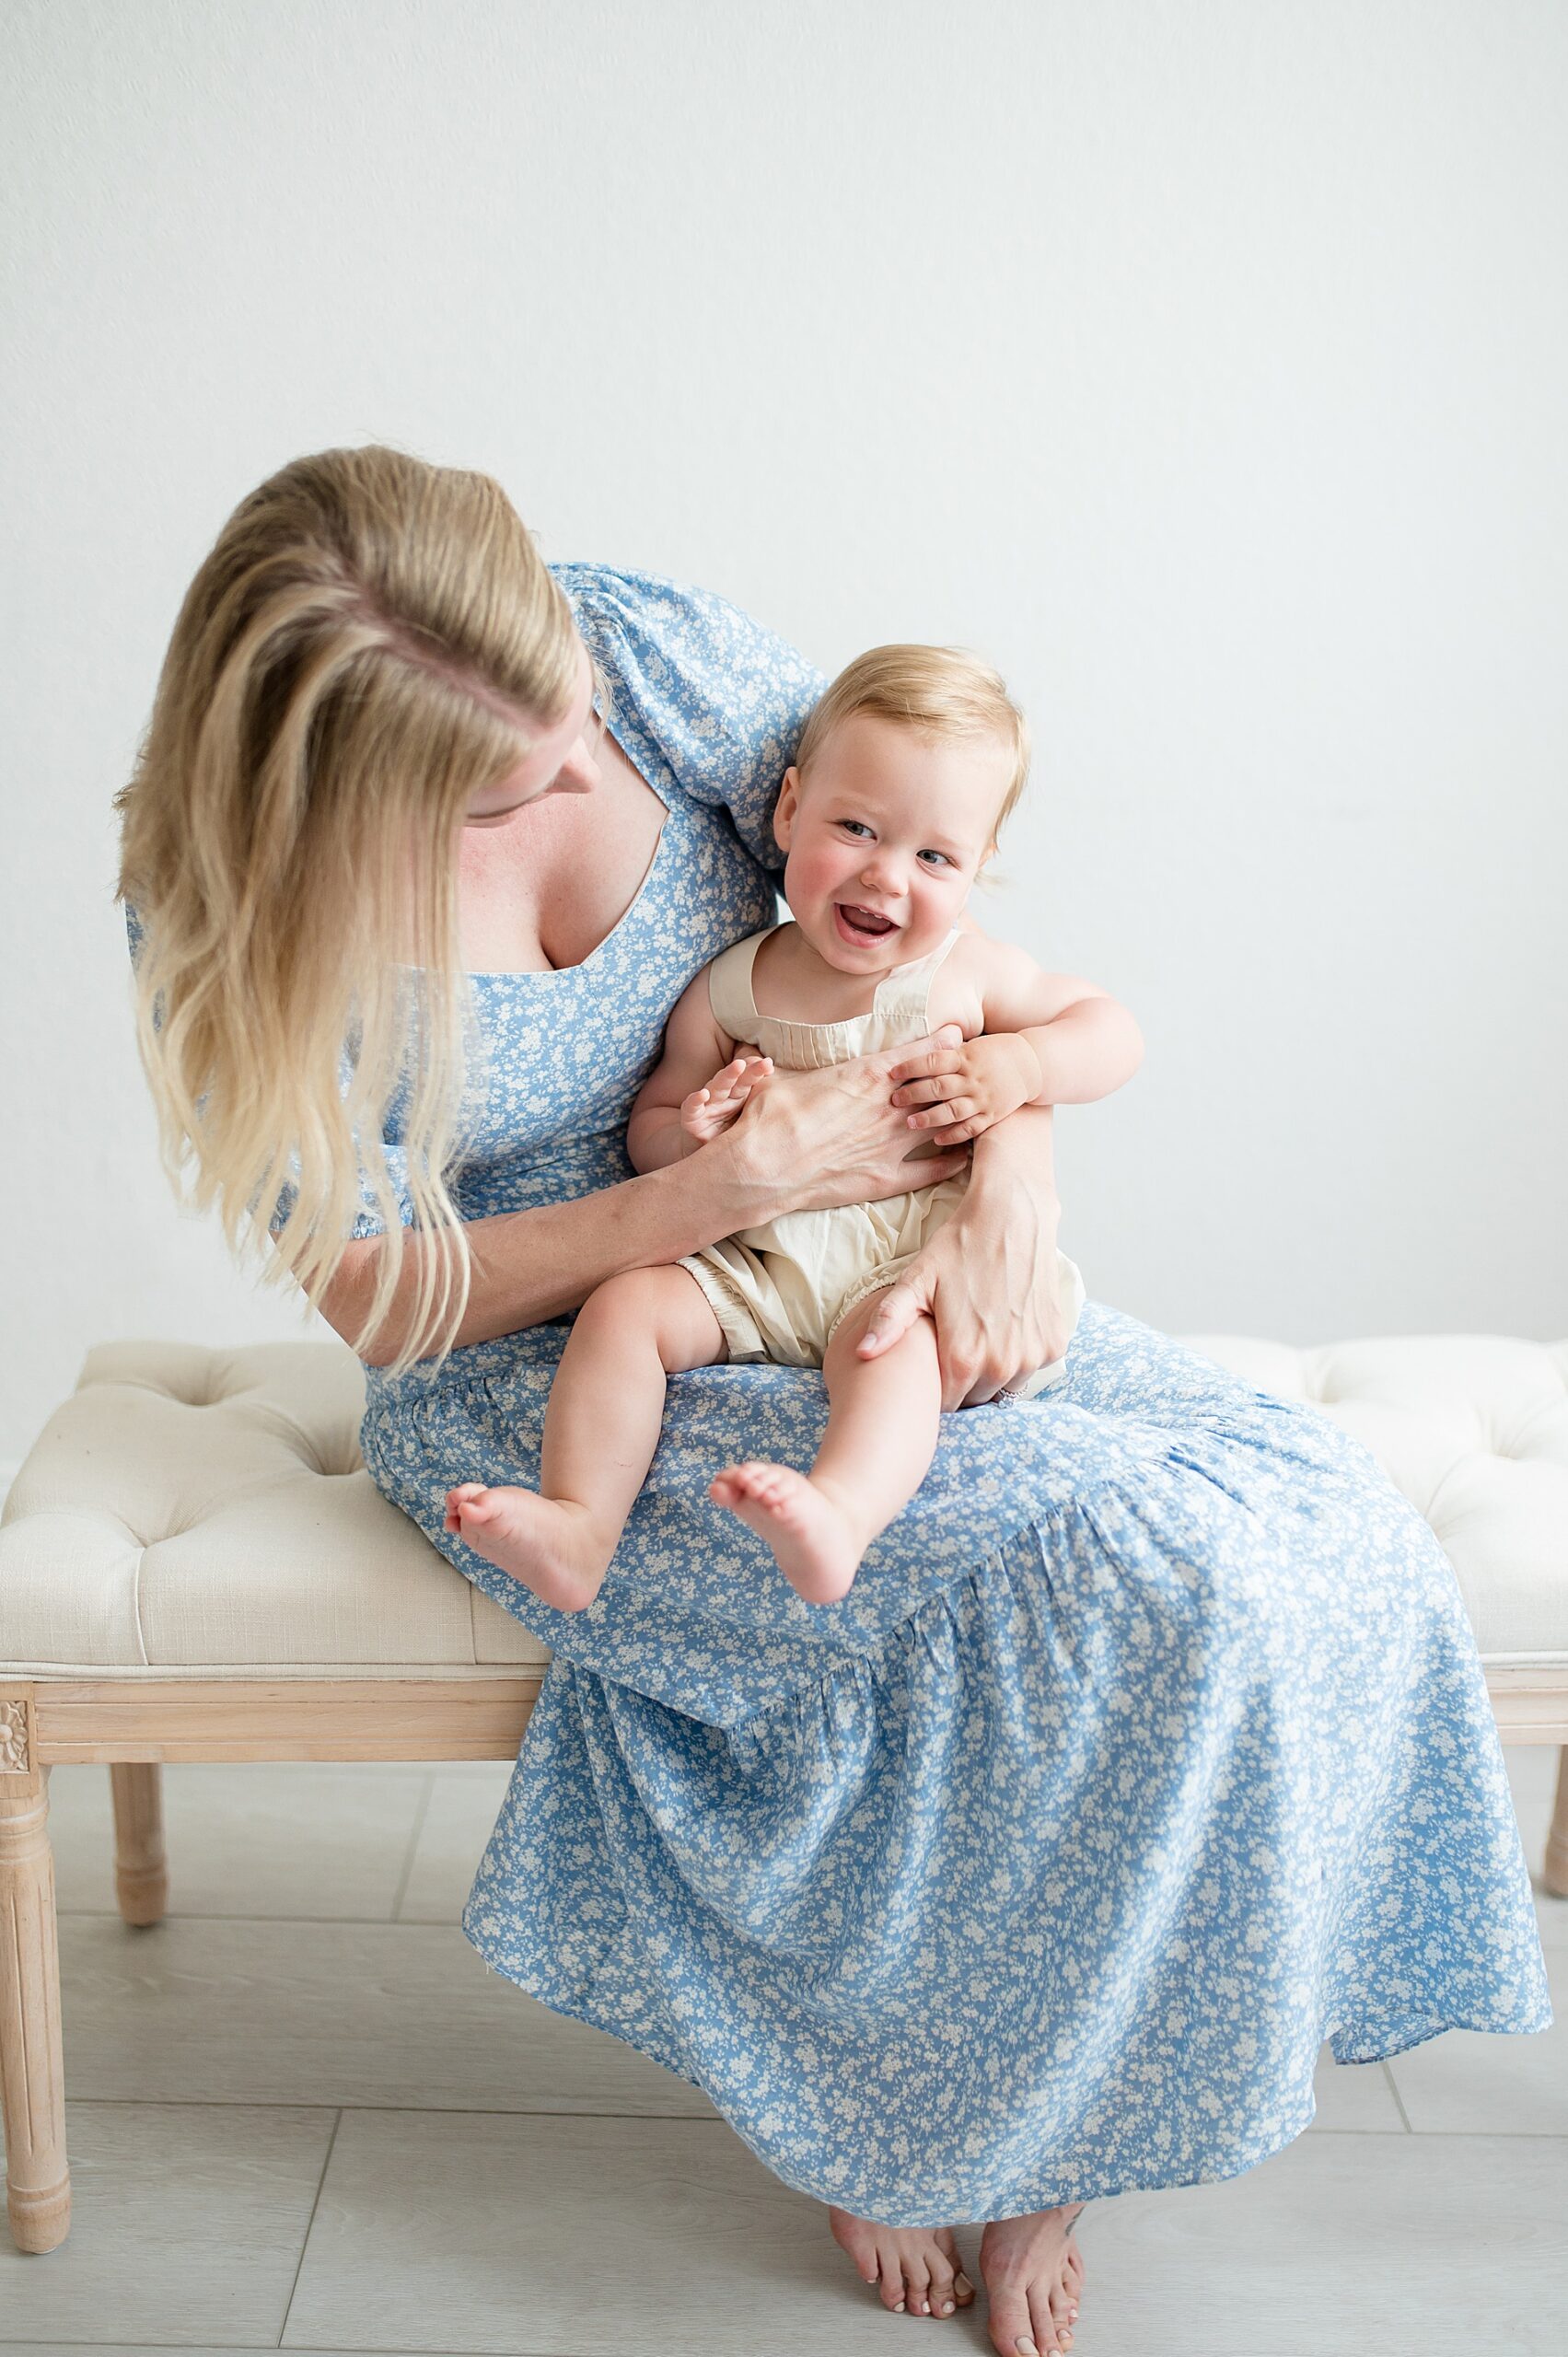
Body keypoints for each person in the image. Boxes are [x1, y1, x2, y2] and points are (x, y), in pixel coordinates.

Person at [116, 447, 1551, 2357]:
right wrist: (704, 1194)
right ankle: (911, 2112)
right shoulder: (233, 904)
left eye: (573, 737)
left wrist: (1006, 1170)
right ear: (344, 786)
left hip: (863, 1251)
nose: (576, 774)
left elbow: (936, 898)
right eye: (516, 784)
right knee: (1098, 1581)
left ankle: (1040, 2125)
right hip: (559, 1354)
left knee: (1295, 1514)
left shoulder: (635, 650)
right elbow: (384, 1300)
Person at [444, 643, 1118, 1609]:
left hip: (903, 1269)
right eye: (855, 827)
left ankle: (838, 1513)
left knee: (887, 1353)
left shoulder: (966, 974)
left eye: (933, 856)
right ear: (791, 808)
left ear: (977, 868)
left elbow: (1107, 1029)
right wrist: (695, 1129)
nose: (886, 877)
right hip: (755, 1264)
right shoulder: (730, 985)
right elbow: (654, 1127)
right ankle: (578, 1526)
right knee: (624, 1309)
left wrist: (1020, 1064)